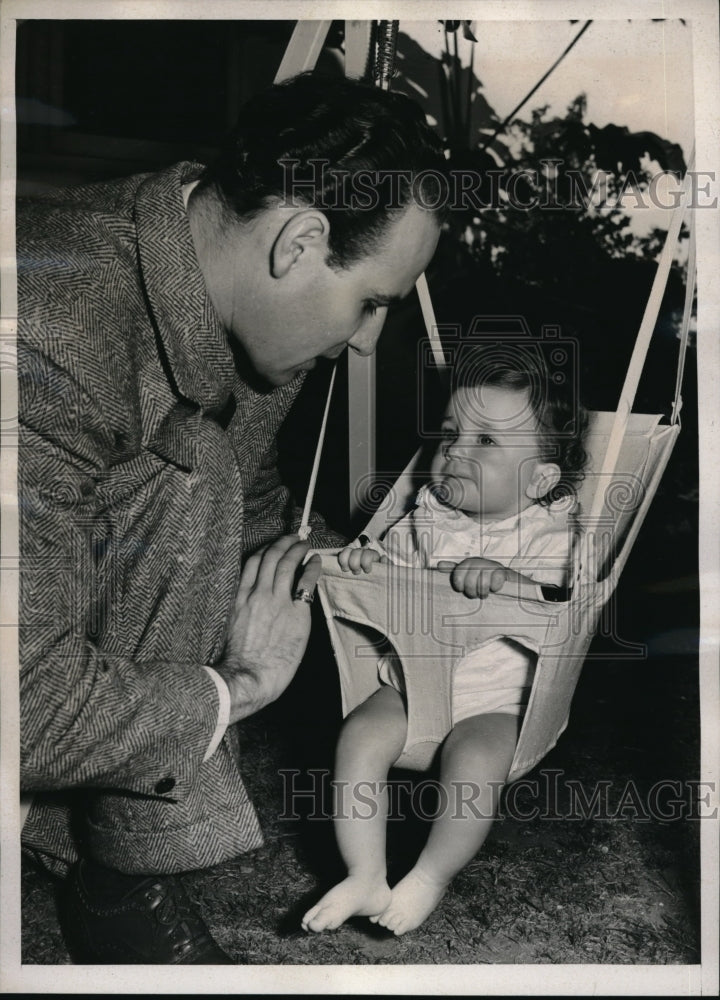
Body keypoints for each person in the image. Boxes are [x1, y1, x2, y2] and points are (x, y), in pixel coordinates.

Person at [18, 71, 445, 963]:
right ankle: (121, 870)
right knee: (191, 462)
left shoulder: (214, 279)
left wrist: (333, 564)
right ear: (299, 242)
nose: (367, 341)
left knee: (202, 465)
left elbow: (243, 500)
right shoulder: (49, 332)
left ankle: (119, 868)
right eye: (372, 302)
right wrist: (242, 684)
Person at [301, 346, 588, 936]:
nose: (456, 448)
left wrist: (510, 582)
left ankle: (429, 875)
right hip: (411, 681)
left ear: (539, 478)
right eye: (453, 433)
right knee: (358, 737)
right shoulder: (426, 514)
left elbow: (565, 599)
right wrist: (362, 561)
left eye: (486, 442)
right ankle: (364, 871)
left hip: (498, 702)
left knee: (475, 765)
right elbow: (388, 561)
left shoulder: (551, 531)